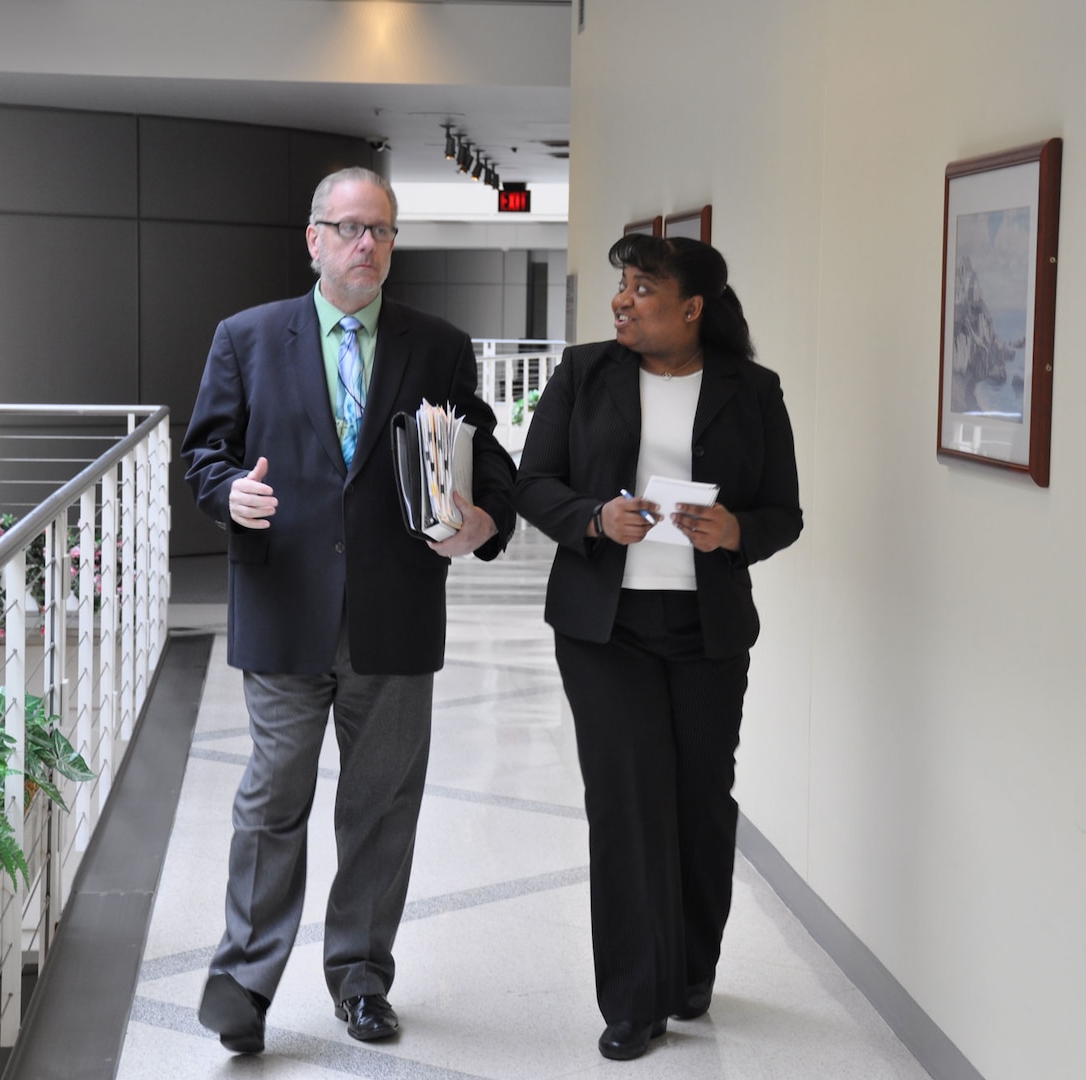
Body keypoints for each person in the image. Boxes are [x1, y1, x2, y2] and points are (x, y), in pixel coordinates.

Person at [181, 166, 517, 1055]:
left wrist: (486, 519)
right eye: (350, 228)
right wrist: (229, 498)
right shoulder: (246, 338)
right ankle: (246, 984)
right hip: (284, 610)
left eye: (381, 231)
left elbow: (480, 450)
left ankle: (362, 979)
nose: (366, 245)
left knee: (380, 807)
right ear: (314, 239)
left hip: (395, 615)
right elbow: (204, 455)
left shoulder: (437, 345)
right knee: (270, 797)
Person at [513, 235, 802, 1061]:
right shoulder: (582, 374)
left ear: (693, 308)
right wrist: (594, 520)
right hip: (605, 631)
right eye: (621, 286)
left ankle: (689, 972)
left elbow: (785, 510)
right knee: (628, 804)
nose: (622, 301)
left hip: (707, 632)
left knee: (702, 802)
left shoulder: (751, 390)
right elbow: (536, 481)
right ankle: (634, 1001)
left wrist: (737, 529)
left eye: (643, 288)